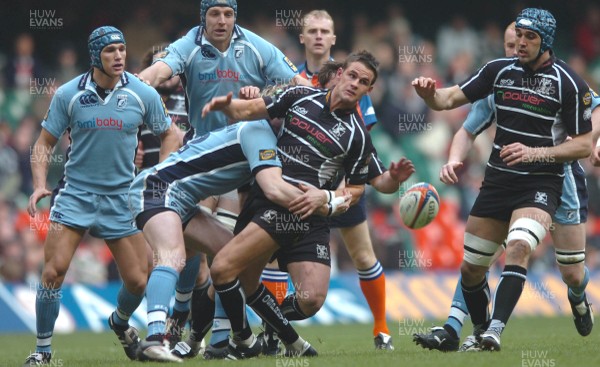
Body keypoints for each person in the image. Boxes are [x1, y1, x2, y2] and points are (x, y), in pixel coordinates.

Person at [412, 8, 593, 351]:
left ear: (547, 43)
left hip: (543, 183)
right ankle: (480, 333)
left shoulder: (569, 83)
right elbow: (448, 99)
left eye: (529, 38)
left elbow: (584, 143)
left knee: (523, 248)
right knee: (471, 270)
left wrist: (534, 153)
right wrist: (429, 95)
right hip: (497, 182)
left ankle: (497, 329)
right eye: (518, 37)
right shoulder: (497, 72)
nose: (520, 44)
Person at [130, 88, 344, 361]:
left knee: (235, 262)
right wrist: (328, 202)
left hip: (182, 198)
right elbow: (274, 189)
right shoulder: (260, 132)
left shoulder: (268, 137)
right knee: (172, 257)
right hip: (160, 188)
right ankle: (156, 338)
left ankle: (255, 339)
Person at [201, 50, 378, 359]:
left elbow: (357, 189)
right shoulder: (299, 95)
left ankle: (267, 332)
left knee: (312, 299)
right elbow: (252, 110)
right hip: (274, 202)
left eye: (364, 82)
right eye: (352, 75)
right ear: (339, 74)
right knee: (229, 274)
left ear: (368, 91)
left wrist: (327, 199)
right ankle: (248, 340)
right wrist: (229, 106)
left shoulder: (358, 136)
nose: (355, 84)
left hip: (312, 213)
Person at [22, 26, 179, 366]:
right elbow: (43, 144)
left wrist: (158, 176)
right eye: (110, 51)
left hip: (121, 198)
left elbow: (171, 135)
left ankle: (119, 322)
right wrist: (38, 184)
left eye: (122, 49)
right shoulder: (69, 94)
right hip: (75, 194)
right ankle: (43, 351)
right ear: (96, 56)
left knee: (138, 281)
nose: (119, 56)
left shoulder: (142, 93)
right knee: (53, 272)